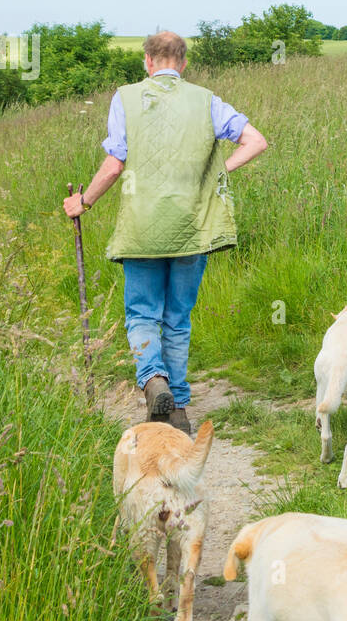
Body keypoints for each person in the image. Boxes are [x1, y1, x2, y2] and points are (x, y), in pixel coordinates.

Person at [63, 31, 267, 434]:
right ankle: (178, 408)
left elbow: (115, 164)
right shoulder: (207, 100)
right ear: (184, 63)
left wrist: (83, 202)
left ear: (148, 62)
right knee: (178, 318)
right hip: (192, 226)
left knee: (142, 313)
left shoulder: (125, 97)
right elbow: (255, 141)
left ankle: (153, 380)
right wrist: (218, 172)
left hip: (143, 228)